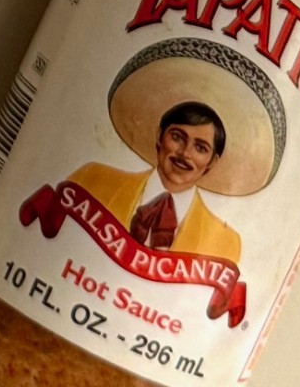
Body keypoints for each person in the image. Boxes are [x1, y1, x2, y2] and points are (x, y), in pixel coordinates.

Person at [74, 101, 242, 266]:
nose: (185, 153)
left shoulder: (225, 243)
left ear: (212, 161)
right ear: (159, 136)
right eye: (177, 137)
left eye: (200, 148)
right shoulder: (92, 180)